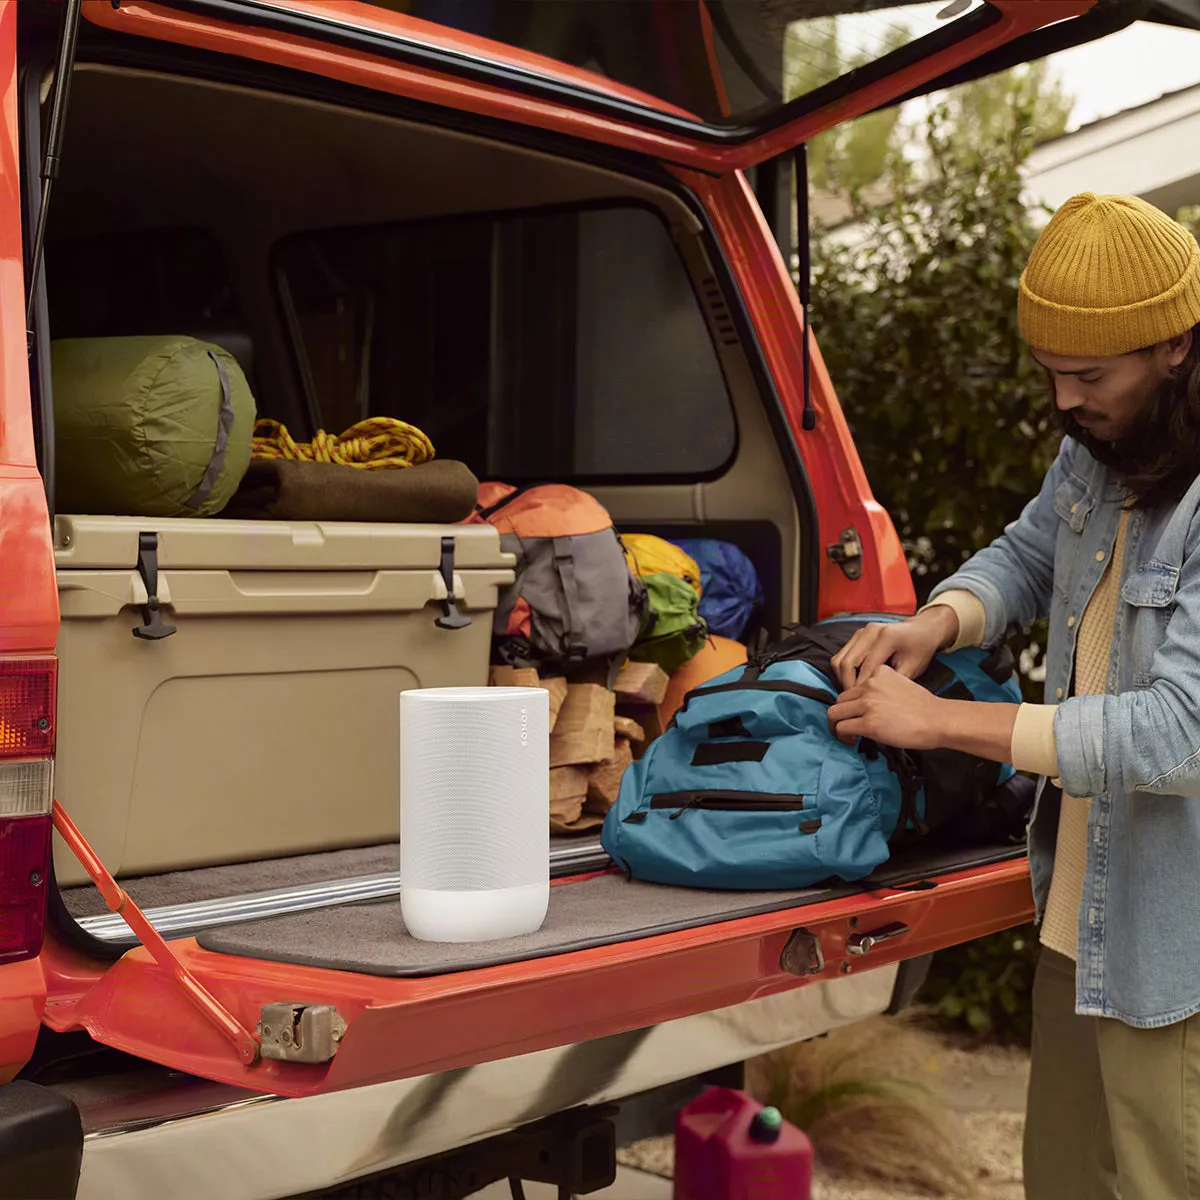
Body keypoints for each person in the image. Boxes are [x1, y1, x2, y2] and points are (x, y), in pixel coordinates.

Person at [827, 192, 1200, 1200]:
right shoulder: (1102, 446)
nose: (1063, 400)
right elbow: (1033, 551)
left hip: (1180, 956)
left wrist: (942, 720)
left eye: (1088, 375)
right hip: (1082, 918)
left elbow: (1178, 737)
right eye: (1049, 374)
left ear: (1174, 348)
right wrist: (938, 620)